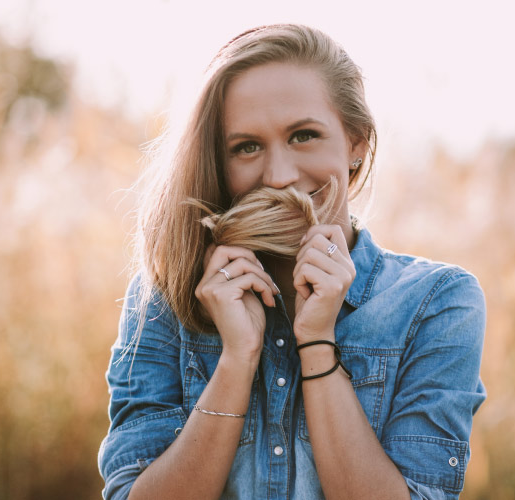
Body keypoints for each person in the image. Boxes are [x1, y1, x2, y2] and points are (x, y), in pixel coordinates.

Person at [98, 24, 486, 500]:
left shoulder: (436, 303)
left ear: (357, 144)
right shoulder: (163, 298)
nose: (279, 176)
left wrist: (318, 342)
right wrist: (237, 360)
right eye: (246, 147)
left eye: (303, 136)